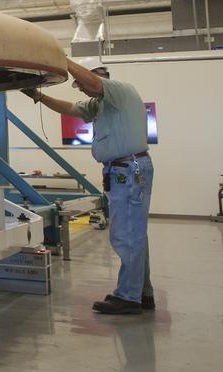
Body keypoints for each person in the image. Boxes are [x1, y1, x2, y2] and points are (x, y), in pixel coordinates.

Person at [24, 57, 155, 315]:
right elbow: (70, 108)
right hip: (124, 171)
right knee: (134, 235)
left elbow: (93, 84)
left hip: (128, 171)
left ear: (94, 74)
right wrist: (37, 96)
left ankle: (128, 297)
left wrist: (62, 60)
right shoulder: (100, 105)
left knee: (127, 235)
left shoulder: (118, 89)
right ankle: (142, 292)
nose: (81, 89)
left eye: (80, 83)